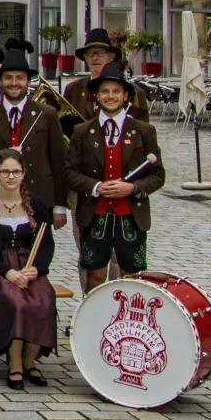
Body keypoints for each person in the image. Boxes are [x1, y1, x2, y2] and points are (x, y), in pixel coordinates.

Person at [64, 62, 165, 293]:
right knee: (94, 274)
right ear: (97, 96)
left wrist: (132, 188)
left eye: (116, 91)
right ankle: (94, 313)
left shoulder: (144, 131)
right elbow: (69, 172)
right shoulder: (82, 131)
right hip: (94, 214)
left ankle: (127, 316)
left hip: (131, 215)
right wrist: (96, 187)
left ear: (125, 95)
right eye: (105, 91)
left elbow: (158, 175)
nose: (110, 96)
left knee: (132, 276)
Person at [0, 150, 57, 390]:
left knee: (43, 299)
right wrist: (7, 271)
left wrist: (36, 269)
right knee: (14, 300)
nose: (10, 176)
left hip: (28, 266)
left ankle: (30, 359)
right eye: (5, 172)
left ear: (23, 174)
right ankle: (15, 362)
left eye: (16, 172)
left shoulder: (36, 204)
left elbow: (46, 244)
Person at [0, 47, 68, 220]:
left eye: (20, 78)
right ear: (1, 80)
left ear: (28, 81)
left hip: (38, 199)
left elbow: (59, 161)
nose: (13, 83)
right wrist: (0, 156)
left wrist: (60, 206)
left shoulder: (46, 113)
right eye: (8, 77)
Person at [63, 28, 150, 136]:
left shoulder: (134, 92)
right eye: (90, 53)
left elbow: (143, 134)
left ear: (111, 57)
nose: (95, 58)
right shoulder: (73, 90)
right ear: (85, 58)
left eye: (100, 53)